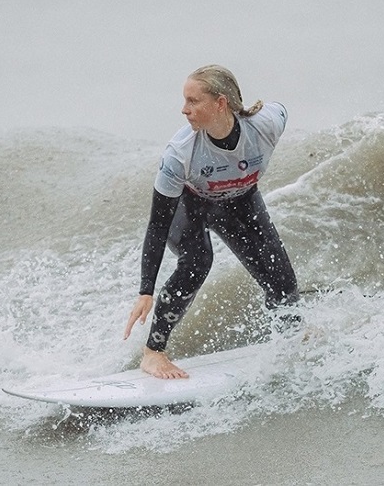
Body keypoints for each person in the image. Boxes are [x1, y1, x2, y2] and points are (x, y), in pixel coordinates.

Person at [123, 65, 299, 379]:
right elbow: (158, 224)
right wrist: (145, 289)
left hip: (241, 201)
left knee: (281, 278)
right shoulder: (180, 153)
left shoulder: (265, 125)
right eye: (184, 100)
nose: (184, 109)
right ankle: (153, 353)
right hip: (190, 206)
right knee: (197, 261)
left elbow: (281, 109)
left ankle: (290, 339)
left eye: (193, 101)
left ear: (220, 103)